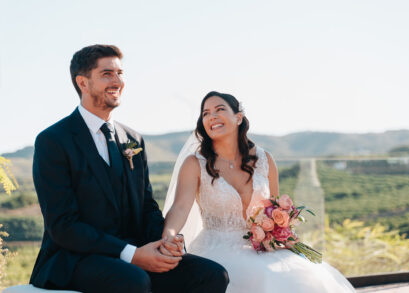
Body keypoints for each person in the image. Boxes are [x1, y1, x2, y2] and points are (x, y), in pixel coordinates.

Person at [30, 45, 229, 293]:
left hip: (136, 251)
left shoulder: (133, 139)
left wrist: (165, 242)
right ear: (82, 82)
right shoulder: (53, 140)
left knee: (211, 275)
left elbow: (146, 205)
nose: (118, 81)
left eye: (120, 73)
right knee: (133, 281)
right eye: (107, 74)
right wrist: (131, 254)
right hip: (75, 258)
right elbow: (63, 226)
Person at [163, 91, 356, 292]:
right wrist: (169, 235)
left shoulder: (265, 160)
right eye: (206, 113)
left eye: (220, 109)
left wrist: (282, 235)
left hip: (263, 248)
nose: (212, 116)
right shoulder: (195, 163)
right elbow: (180, 207)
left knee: (311, 275)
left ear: (238, 117)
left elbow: (274, 208)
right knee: (268, 278)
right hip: (217, 248)